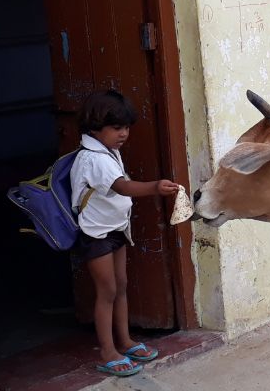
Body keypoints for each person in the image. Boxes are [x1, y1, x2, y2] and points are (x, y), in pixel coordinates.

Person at [69, 89, 179, 377]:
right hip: (96, 234)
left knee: (120, 285)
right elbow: (122, 187)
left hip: (115, 228)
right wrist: (155, 187)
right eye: (116, 127)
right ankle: (108, 351)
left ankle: (126, 341)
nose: (123, 134)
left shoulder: (108, 151)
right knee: (107, 290)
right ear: (95, 127)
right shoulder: (93, 159)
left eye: (126, 127)